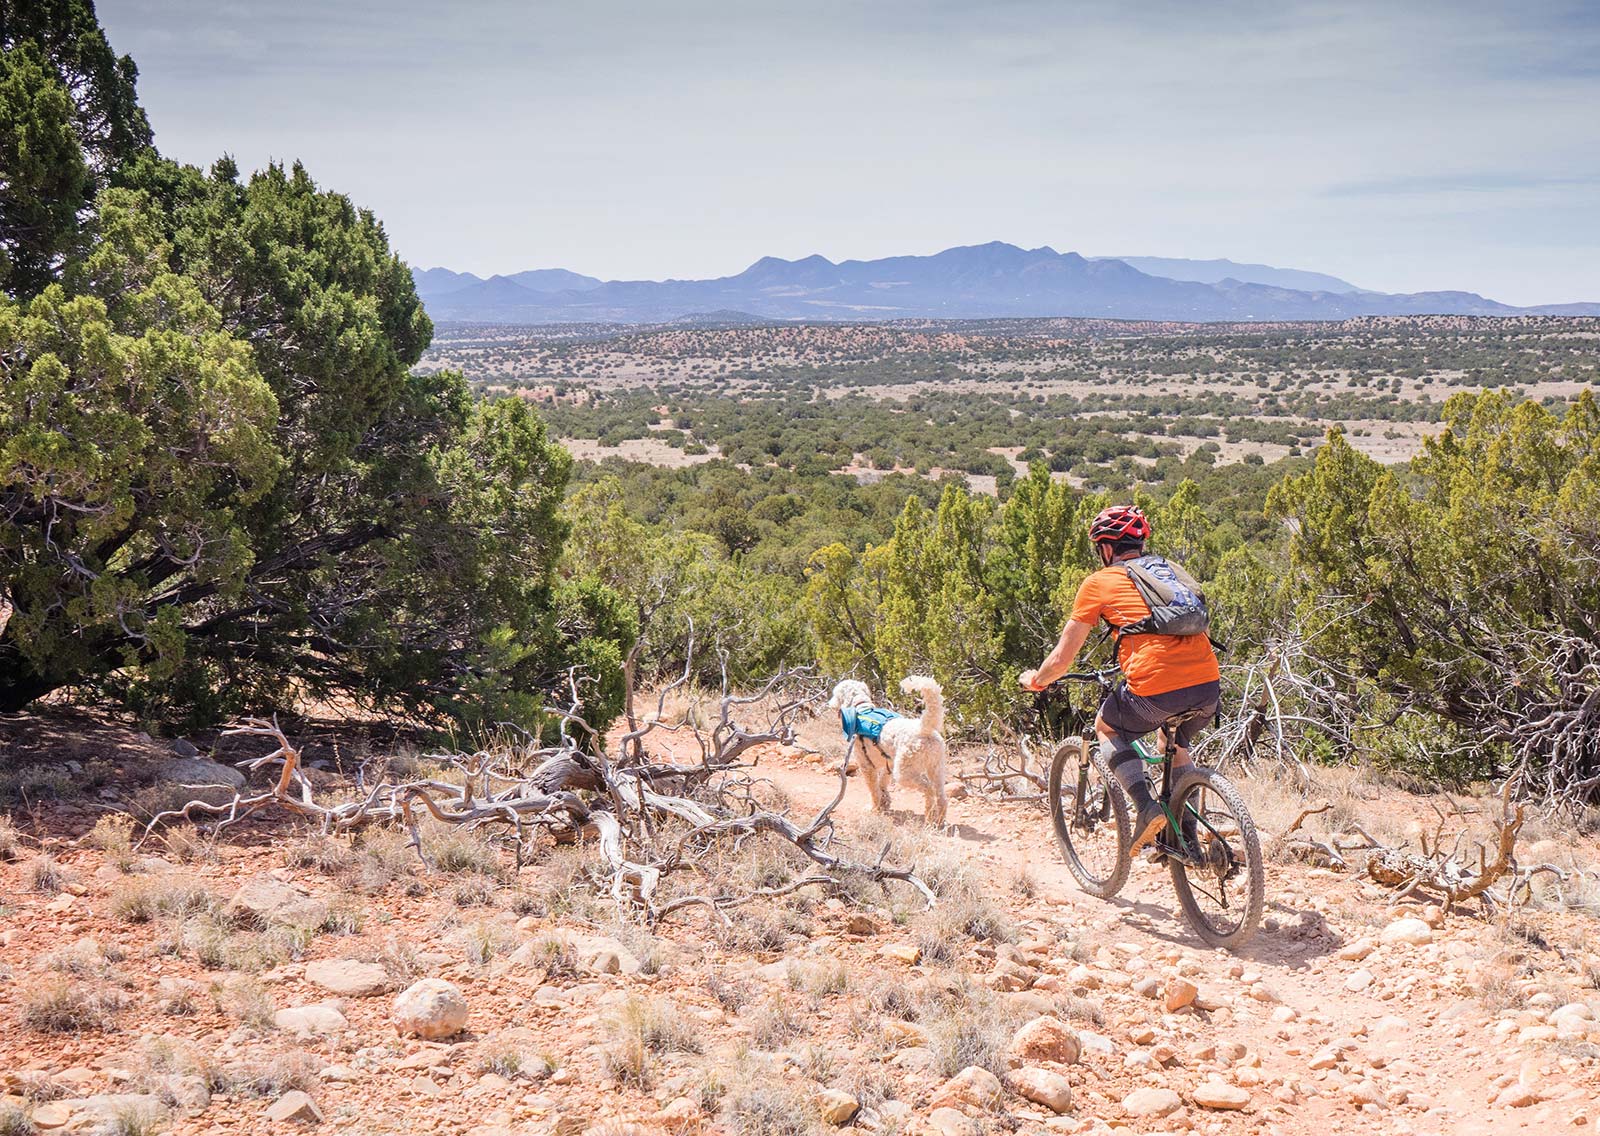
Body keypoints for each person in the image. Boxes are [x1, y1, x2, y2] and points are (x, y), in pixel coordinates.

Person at [1019, 504, 1220, 853]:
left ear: (1107, 548)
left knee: (1108, 729)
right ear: (1139, 544)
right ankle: (1187, 841)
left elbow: (1063, 658)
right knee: (1174, 746)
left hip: (1156, 685)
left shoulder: (1099, 582)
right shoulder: (1169, 573)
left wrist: (1038, 679)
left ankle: (1146, 807)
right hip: (1207, 684)